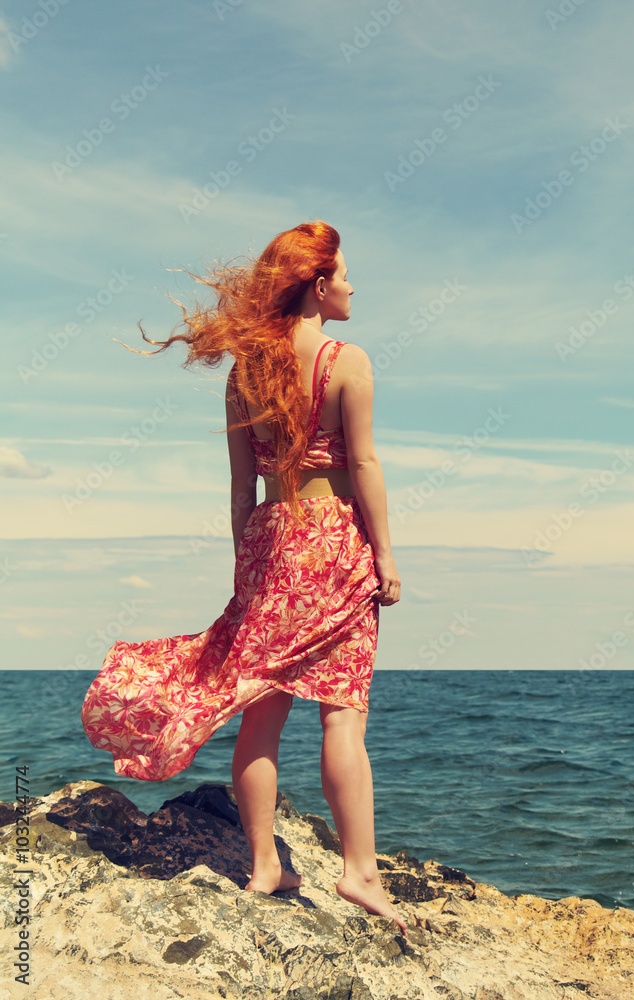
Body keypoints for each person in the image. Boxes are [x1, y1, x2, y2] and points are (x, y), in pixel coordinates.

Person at [80, 220, 407, 935]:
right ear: (318, 285)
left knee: (259, 709)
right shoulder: (347, 361)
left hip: (269, 542)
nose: (353, 286)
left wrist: (250, 566)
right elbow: (368, 466)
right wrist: (384, 555)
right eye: (345, 275)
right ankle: (360, 871)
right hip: (334, 541)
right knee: (342, 713)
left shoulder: (246, 372)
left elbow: (240, 491)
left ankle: (263, 862)